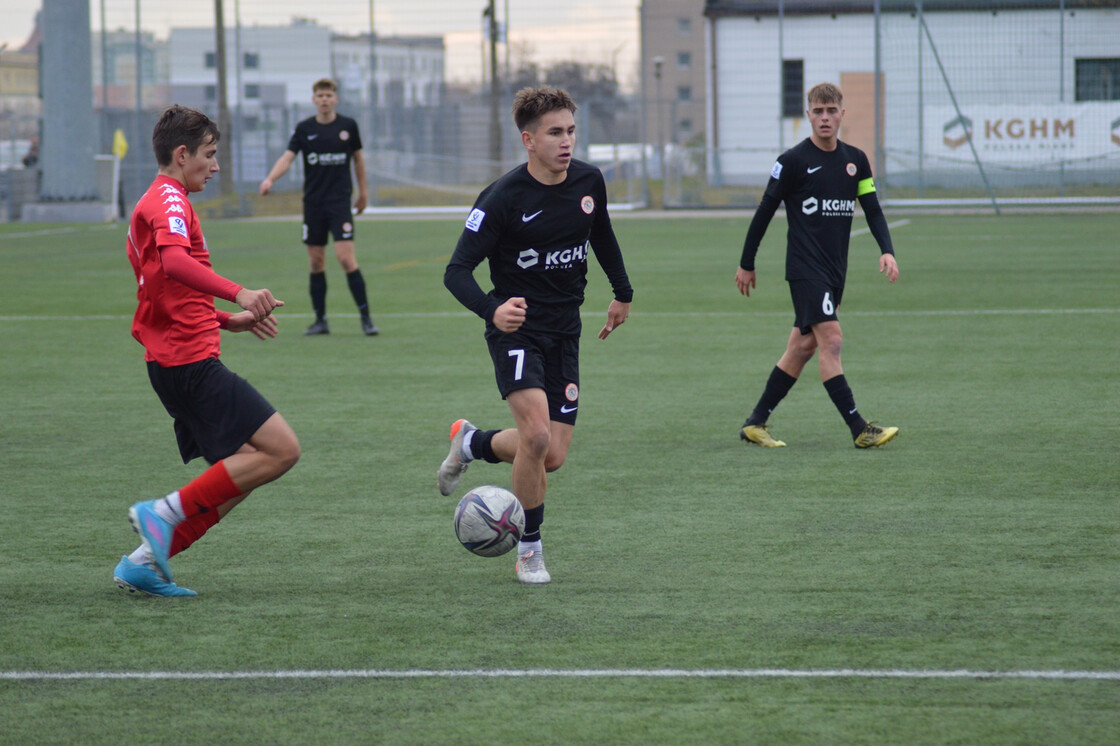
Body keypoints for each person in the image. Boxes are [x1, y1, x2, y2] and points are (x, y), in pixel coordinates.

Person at [438, 86, 634, 585]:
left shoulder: (589, 181)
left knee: (553, 455)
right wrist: (491, 308)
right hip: (517, 331)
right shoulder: (503, 198)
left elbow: (602, 233)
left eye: (570, 130)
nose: (566, 141)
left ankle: (471, 443)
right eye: (554, 133)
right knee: (538, 435)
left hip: (565, 331)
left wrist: (622, 292)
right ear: (528, 140)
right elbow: (457, 270)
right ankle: (530, 548)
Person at [115, 105, 301, 597]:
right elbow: (175, 264)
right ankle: (162, 514)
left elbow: (160, 290)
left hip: (175, 358)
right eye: (210, 155)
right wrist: (238, 293)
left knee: (238, 474)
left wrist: (224, 321)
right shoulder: (170, 202)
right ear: (182, 155)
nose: (215, 166)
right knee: (282, 450)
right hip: (188, 363)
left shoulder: (160, 202)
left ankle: (143, 562)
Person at [735, 82, 900, 450]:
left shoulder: (856, 161)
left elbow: (872, 209)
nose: (824, 118)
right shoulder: (791, 161)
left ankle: (755, 423)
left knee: (802, 347)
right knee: (833, 341)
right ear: (808, 115)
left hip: (834, 273)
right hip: (805, 268)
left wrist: (886, 250)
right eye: (818, 111)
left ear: (842, 114)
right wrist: (747, 262)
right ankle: (859, 428)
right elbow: (764, 212)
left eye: (831, 111)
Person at [259, 77, 377, 336]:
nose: (324, 100)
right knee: (316, 262)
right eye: (320, 96)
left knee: (346, 258)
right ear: (314, 100)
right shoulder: (304, 129)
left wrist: (363, 193)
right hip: (313, 205)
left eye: (328, 96)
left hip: (340, 204)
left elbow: (358, 161)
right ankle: (320, 320)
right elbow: (287, 158)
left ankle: (366, 318)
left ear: (335, 99)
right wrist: (270, 178)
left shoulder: (348, 126)